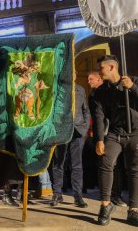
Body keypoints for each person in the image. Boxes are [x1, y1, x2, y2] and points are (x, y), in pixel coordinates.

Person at [90, 55, 138, 227]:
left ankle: (133, 211)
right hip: (115, 133)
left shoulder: (133, 81)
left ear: (111, 67)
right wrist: (99, 139)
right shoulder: (100, 91)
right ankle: (105, 205)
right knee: (105, 162)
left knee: (135, 171)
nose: (99, 71)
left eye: (101, 68)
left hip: (136, 134)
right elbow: (99, 116)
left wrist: (132, 87)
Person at [49, 71, 90, 208]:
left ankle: (78, 196)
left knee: (77, 165)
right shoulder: (58, 88)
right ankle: (57, 193)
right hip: (61, 131)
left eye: (73, 72)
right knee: (58, 163)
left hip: (77, 131)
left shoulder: (80, 89)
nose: (71, 74)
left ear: (75, 75)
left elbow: (86, 110)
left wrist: (85, 128)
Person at [88, 71, 127, 207]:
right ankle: (106, 194)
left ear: (99, 79)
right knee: (104, 165)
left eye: (91, 79)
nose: (89, 81)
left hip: (111, 133)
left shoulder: (106, 92)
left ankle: (116, 195)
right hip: (100, 134)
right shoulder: (93, 94)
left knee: (114, 165)